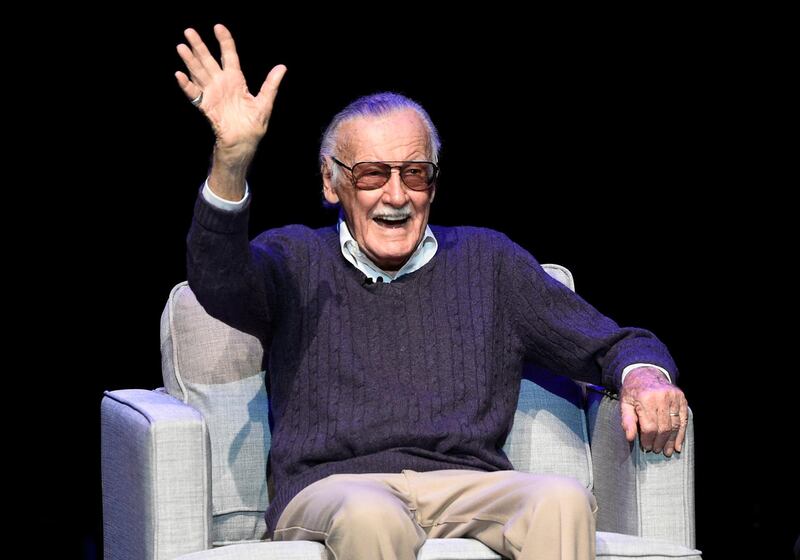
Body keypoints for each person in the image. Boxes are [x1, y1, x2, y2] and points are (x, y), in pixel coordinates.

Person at [175, 24, 689, 560]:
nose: (396, 195)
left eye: (414, 174)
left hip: (465, 482)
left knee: (562, 499)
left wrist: (646, 379)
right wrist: (231, 162)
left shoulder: (489, 262)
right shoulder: (293, 259)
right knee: (372, 516)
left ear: (433, 185)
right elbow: (218, 280)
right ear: (331, 183)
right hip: (332, 489)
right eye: (373, 175)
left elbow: (613, 343)